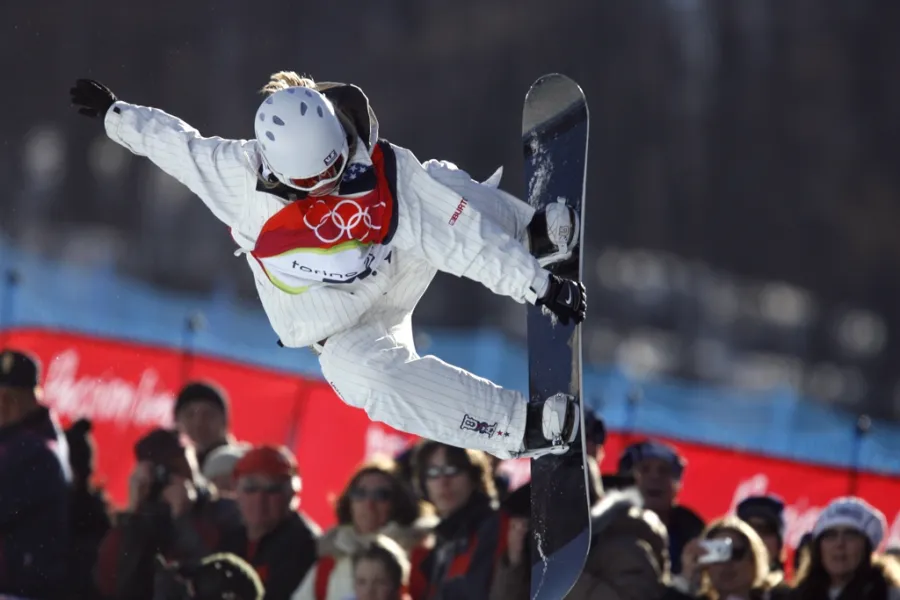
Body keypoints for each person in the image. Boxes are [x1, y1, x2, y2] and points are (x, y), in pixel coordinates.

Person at [68, 73, 587, 460]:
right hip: (343, 329)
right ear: (277, 171)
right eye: (313, 183)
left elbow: (455, 238)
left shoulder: (383, 170)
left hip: (395, 268)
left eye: (336, 170)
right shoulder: (237, 178)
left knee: (440, 187)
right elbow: (175, 145)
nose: (330, 187)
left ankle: (531, 233)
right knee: (363, 380)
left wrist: (536, 283)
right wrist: (115, 114)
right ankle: (521, 428)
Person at [291, 458, 432, 600]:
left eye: (381, 495)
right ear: (349, 502)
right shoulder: (329, 562)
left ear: (399, 503)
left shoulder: (420, 558)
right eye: (360, 493)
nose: (368, 503)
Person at [0, 348, 71, 599]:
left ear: (32, 397)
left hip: (20, 590)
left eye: (11, 396)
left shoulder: (39, 450)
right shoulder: (15, 442)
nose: (4, 404)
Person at [219, 445, 320, 600]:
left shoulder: (304, 544)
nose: (260, 499)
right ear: (236, 491)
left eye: (273, 489)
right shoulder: (232, 537)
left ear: (291, 494)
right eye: (251, 489)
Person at [791, 496, 900, 600]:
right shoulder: (796, 596)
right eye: (831, 535)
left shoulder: (890, 595)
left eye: (850, 536)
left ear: (866, 548)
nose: (839, 544)